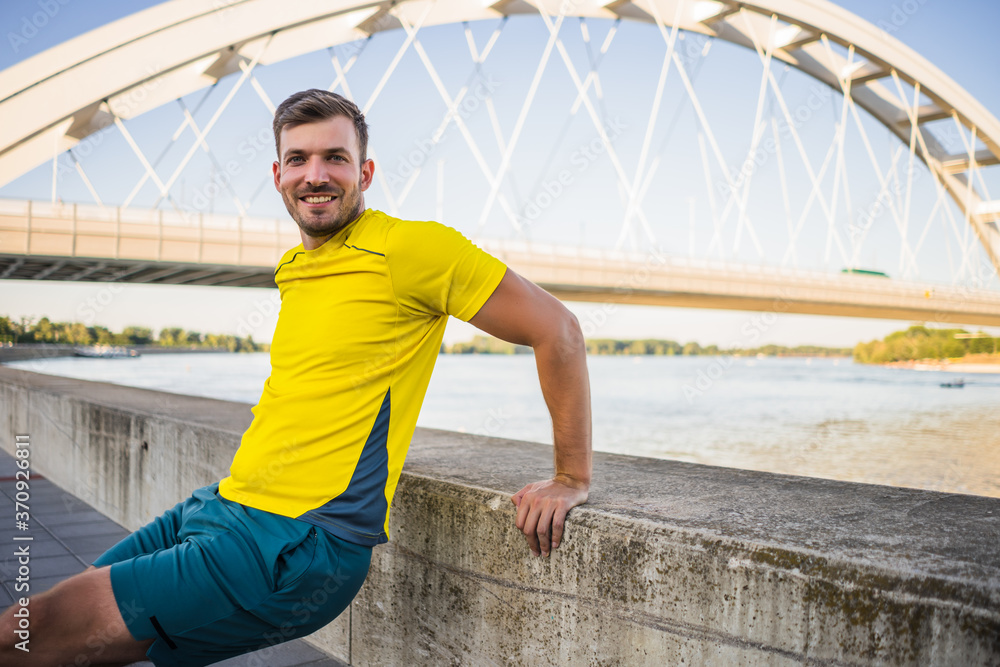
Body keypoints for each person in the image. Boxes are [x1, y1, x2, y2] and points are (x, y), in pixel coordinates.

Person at [0, 89, 591, 666]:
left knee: (26, 633)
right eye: (299, 159)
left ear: (366, 170)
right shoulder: (292, 267)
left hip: (299, 541)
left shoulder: (412, 248)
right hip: (221, 505)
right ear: (278, 172)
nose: (317, 174)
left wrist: (570, 475)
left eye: (335, 157)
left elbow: (558, 331)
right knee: (53, 636)